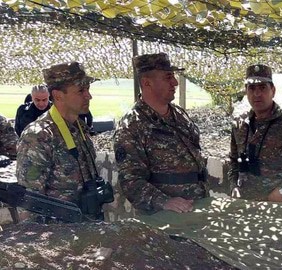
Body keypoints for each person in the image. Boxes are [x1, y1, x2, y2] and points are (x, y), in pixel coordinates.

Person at [16, 62, 111, 222]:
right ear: (58, 95)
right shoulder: (38, 136)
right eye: (81, 91)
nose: (88, 96)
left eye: (88, 89)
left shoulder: (79, 127)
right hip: (59, 237)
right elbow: (29, 203)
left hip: (89, 228)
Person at [113, 52, 207, 214]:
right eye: (168, 77)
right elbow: (131, 182)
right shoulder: (132, 127)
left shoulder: (179, 115)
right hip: (162, 218)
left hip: (196, 208)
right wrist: (164, 202)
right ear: (146, 83)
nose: (175, 82)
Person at [228, 64, 282, 202]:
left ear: (273, 91)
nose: (257, 94)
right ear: (246, 92)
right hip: (246, 204)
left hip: (280, 206)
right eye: (252, 88)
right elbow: (233, 162)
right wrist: (234, 187)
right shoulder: (239, 125)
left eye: (262, 88)